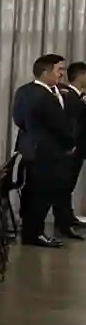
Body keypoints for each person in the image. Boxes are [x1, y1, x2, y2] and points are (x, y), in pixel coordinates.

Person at [12, 53, 80, 247]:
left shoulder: (24, 91)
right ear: (45, 72)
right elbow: (59, 126)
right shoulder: (44, 97)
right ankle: (35, 234)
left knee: (33, 192)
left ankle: (31, 231)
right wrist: (70, 144)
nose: (62, 75)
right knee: (42, 195)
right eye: (59, 70)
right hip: (47, 153)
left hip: (30, 149)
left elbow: (18, 119)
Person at [66, 61, 86, 228]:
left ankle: (67, 217)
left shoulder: (77, 97)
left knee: (69, 185)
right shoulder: (70, 97)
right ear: (80, 76)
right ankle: (65, 221)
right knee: (66, 184)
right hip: (73, 148)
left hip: (78, 148)